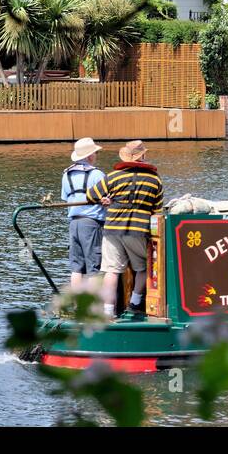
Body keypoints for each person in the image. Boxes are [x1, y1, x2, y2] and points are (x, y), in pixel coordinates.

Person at [88, 139, 163, 319]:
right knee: (143, 267)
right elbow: (157, 210)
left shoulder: (114, 176)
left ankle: (107, 312)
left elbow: (91, 195)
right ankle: (135, 303)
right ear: (143, 156)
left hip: (113, 227)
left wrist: (106, 199)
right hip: (138, 230)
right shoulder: (155, 180)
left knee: (112, 270)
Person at [63, 137, 106, 294]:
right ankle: (94, 305)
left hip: (74, 223)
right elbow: (107, 198)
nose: (96, 156)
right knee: (94, 265)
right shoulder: (97, 174)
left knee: (76, 267)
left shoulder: (66, 174)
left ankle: (77, 304)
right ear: (90, 156)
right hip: (92, 222)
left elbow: (66, 197)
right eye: (95, 153)